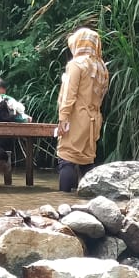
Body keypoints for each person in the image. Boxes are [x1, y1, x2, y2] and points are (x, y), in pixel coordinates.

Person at [55, 27, 110, 192]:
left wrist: (63, 119)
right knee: (86, 160)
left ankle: (63, 201)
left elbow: (69, 95)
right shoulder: (102, 67)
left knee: (66, 157)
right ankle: (89, 200)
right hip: (94, 119)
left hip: (76, 117)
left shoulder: (76, 64)